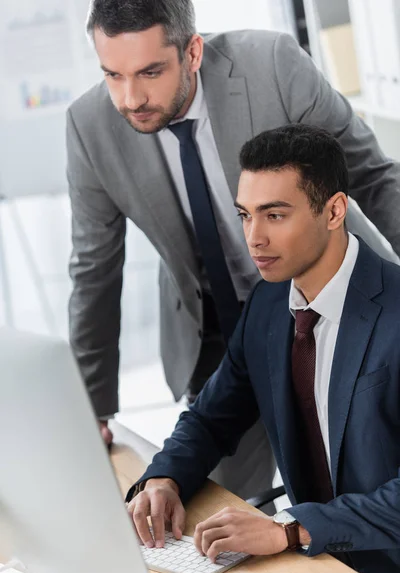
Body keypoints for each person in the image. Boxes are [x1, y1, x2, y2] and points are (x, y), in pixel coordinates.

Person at [67, 0, 400, 501]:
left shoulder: (272, 65)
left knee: (354, 492)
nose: (131, 97)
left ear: (193, 52)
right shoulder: (89, 126)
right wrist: (92, 406)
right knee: (214, 515)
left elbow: (372, 176)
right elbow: (95, 269)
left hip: (329, 306)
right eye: (113, 74)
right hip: (218, 336)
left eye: (151, 71)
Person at [126, 124, 400, 573]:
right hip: (312, 569)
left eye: (274, 215)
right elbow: (212, 417)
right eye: (245, 215)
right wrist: (165, 476)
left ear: (334, 210)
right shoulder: (269, 306)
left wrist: (290, 528)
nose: (253, 238)